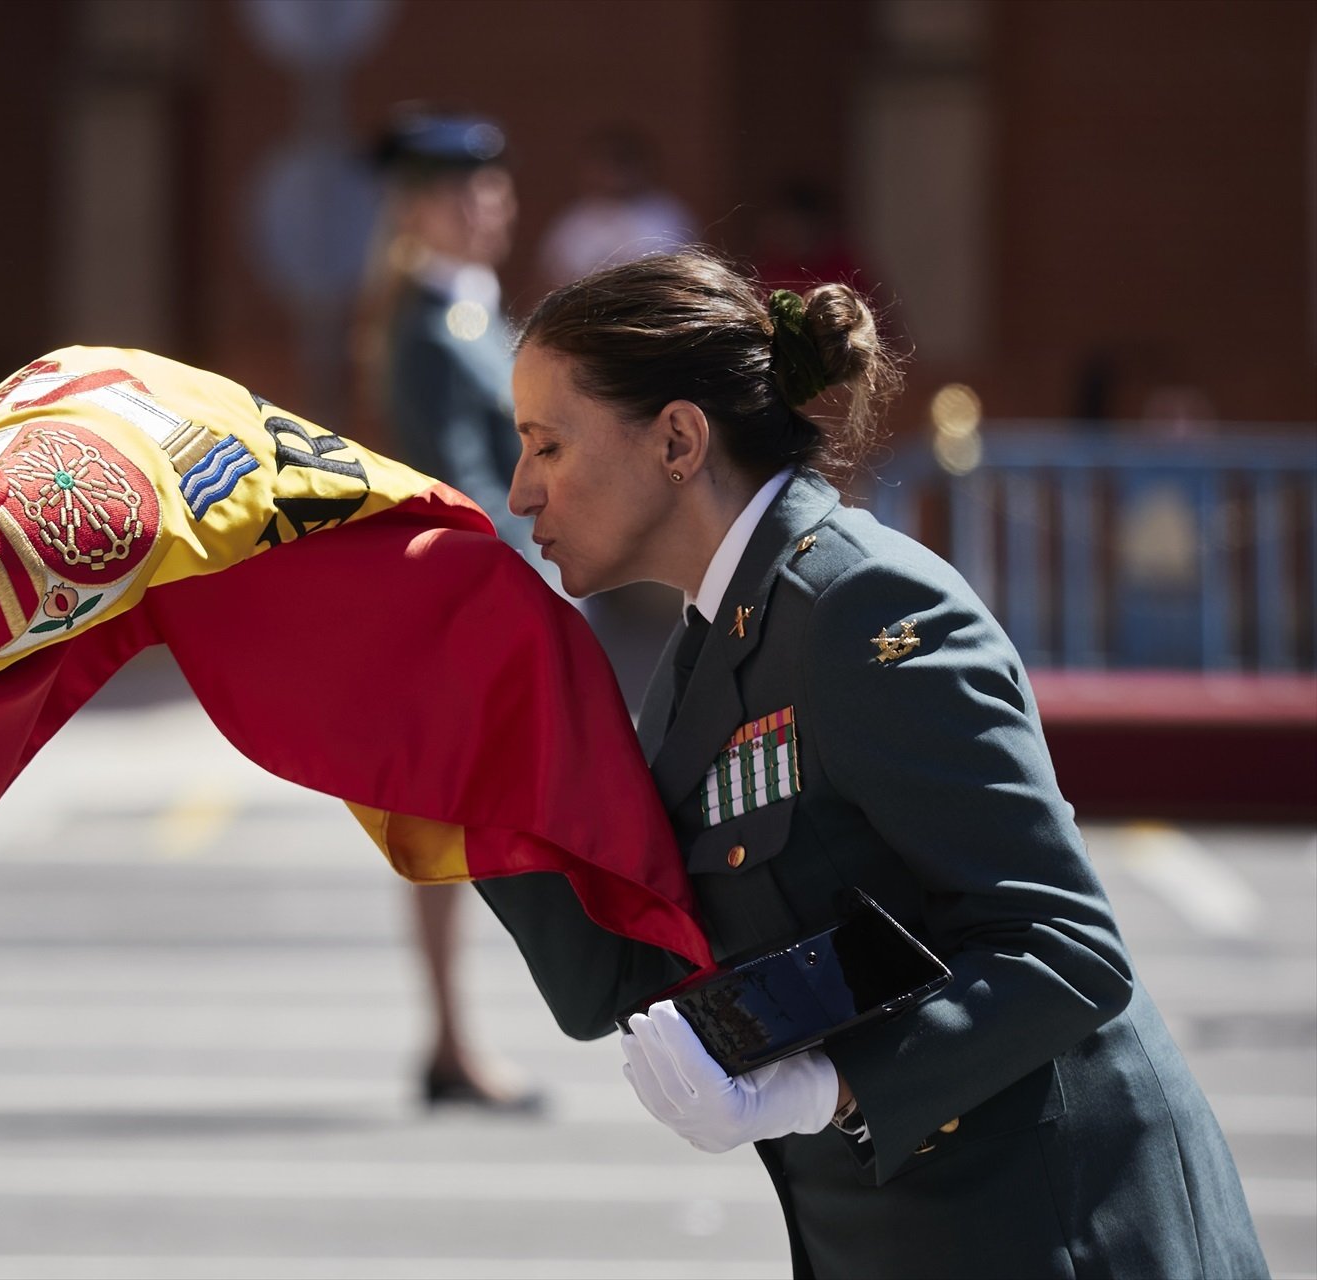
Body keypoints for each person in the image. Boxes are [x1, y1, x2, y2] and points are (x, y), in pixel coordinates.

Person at [475, 250, 1267, 1277]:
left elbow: (1068, 949)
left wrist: (826, 1085)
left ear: (677, 438)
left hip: (1061, 1231)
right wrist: (447, 754)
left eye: (547, 443)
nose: (520, 487)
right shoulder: (706, 649)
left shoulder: (864, 609)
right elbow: (618, 974)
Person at [350, 108, 548, 1111]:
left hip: (467, 604)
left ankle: (451, 1041)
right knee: (446, 826)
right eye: (464, 191)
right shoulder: (432, 323)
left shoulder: (469, 311)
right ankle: (453, 1042)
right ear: (420, 210)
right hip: (460, 606)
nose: (489, 204)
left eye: (492, 186)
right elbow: (466, 486)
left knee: (457, 826)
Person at [536, 125, 696, 288]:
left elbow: (674, 278)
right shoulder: (576, 217)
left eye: (615, 165)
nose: (603, 175)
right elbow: (549, 277)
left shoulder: (664, 215)